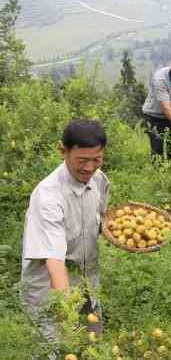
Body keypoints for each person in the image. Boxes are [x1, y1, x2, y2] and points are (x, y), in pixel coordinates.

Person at [20, 119, 109, 357]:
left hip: (86, 279)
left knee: (92, 346)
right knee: (56, 349)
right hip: (51, 287)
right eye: (82, 160)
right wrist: (67, 313)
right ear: (63, 151)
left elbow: (102, 217)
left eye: (97, 159)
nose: (90, 168)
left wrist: (111, 230)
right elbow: (54, 263)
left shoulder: (98, 179)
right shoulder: (48, 196)